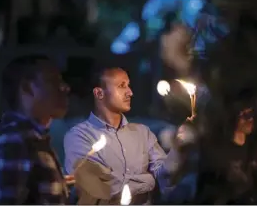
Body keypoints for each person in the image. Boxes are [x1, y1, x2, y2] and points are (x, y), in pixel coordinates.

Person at [64, 66, 193, 204]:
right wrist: (148, 180)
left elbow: (163, 177)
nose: (130, 92)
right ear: (99, 93)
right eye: (122, 86)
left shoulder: (142, 133)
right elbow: (96, 189)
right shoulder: (79, 136)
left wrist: (177, 149)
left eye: (129, 85)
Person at [0, 55, 71, 204]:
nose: (65, 87)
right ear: (27, 88)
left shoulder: (35, 140)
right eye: (53, 81)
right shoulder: (14, 139)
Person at [196, 93, 257, 204]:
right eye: (244, 115)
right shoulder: (217, 150)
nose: (250, 119)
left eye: (251, 113)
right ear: (232, 118)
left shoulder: (255, 145)